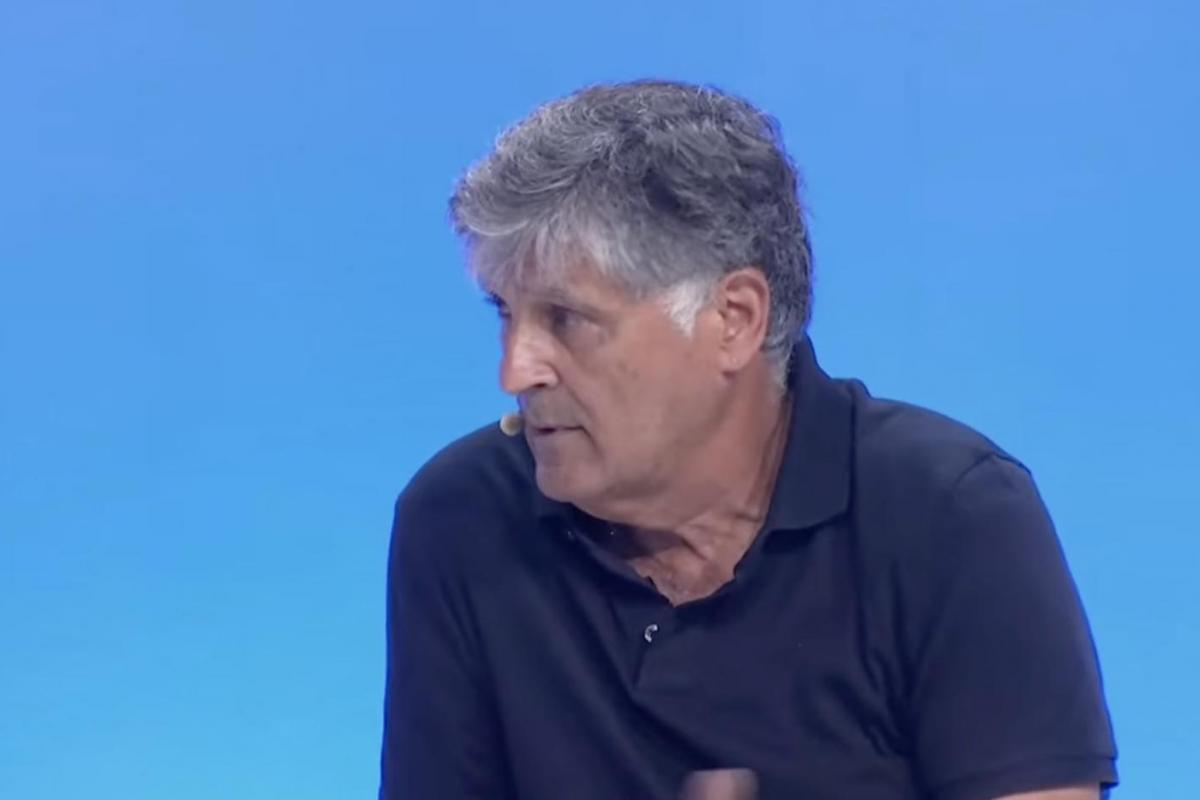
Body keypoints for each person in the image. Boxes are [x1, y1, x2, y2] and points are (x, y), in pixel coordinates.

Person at [378, 80, 1118, 800]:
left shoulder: (950, 514)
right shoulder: (464, 518)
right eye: (504, 313)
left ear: (733, 319)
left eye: (566, 319)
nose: (515, 369)